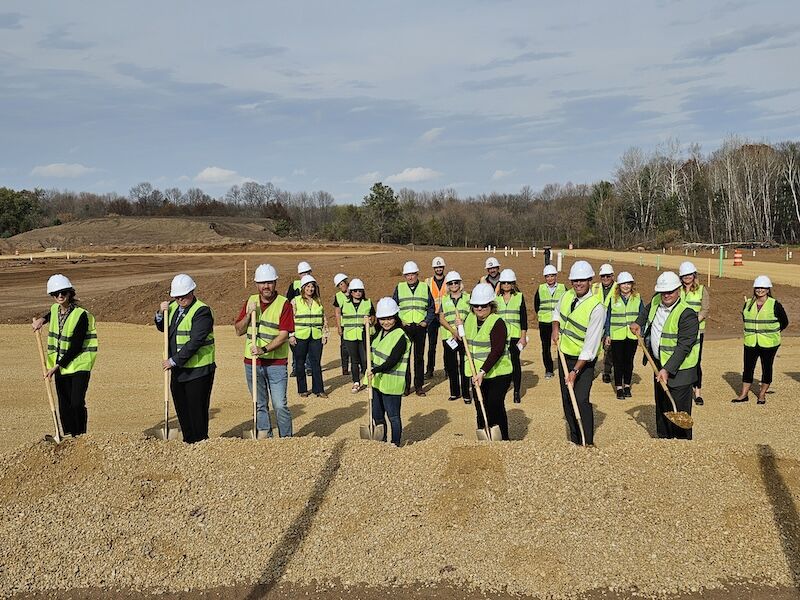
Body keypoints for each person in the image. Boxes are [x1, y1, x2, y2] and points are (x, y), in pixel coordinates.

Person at [631, 272, 699, 440]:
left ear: (678, 290)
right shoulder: (656, 300)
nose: (666, 295)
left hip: (680, 371)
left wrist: (667, 369)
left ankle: (682, 444)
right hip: (658, 364)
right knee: (662, 407)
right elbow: (646, 312)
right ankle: (663, 441)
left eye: (670, 291)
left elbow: (684, 347)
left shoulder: (687, 314)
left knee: (679, 412)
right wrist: (638, 323)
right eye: (663, 291)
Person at [31, 274, 98, 436]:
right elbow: (51, 314)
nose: (60, 296)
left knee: (76, 403)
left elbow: (76, 346)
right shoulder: (54, 309)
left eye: (63, 292)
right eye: (56, 293)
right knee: (64, 405)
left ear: (70, 293)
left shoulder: (81, 315)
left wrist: (56, 366)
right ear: (52, 296)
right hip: (60, 366)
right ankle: (68, 436)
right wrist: (42, 320)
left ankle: (80, 436)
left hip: (78, 364)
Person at [234, 263, 294, 438]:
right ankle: (265, 436)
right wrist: (248, 315)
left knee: (279, 404)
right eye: (262, 283)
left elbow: (284, 334)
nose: (266, 286)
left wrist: (264, 349)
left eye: (269, 282)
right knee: (259, 403)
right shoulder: (250, 302)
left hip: (276, 363)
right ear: (256, 284)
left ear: (275, 283)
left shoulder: (284, 304)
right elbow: (238, 330)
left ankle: (286, 439)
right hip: (251, 363)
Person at [155, 274, 215, 444]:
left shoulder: (202, 311)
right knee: (182, 409)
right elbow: (163, 327)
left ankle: (200, 443)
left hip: (199, 370)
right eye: (177, 296)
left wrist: (173, 361)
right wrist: (160, 313)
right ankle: (189, 442)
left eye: (184, 295)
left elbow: (196, 341)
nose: (180, 299)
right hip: (179, 370)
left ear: (192, 291)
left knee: (197, 411)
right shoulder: (173, 307)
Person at [551, 261, 605, 446]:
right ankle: (574, 440)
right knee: (567, 399)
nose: (578, 284)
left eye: (582, 280)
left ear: (590, 280)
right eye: (575, 280)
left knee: (580, 400)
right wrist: (555, 328)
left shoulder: (597, 308)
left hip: (583, 361)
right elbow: (556, 312)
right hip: (564, 354)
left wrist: (575, 372)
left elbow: (590, 346)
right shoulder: (566, 296)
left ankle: (586, 441)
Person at [463, 283, 513, 440]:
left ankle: (503, 438)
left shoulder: (497, 322)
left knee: (494, 405)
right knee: (480, 405)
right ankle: (484, 438)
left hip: (498, 373)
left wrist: (483, 371)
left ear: (491, 305)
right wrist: (459, 330)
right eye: (476, 305)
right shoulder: (469, 319)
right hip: (476, 373)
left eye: (483, 305)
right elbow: (464, 343)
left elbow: (496, 350)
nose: (479, 308)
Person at [732, 276, 789, 405]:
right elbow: (746, 320)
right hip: (751, 342)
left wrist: (773, 332)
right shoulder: (748, 304)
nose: (760, 290)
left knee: (767, 368)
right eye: (757, 287)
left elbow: (784, 322)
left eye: (763, 287)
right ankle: (743, 394)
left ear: (768, 289)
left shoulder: (775, 304)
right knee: (747, 368)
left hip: (769, 343)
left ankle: (762, 395)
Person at [365, 297, 410, 446]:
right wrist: (365, 327)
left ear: (396, 317)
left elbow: (392, 361)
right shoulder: (379, 333)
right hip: (377, 381)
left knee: (393, 416)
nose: (386, 322)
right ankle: (381, 442)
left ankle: (395, 444)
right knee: (377, 415)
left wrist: (375, 369)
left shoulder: (401, 337)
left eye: (390, 318)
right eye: (383, 319)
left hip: (391, 384)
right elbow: (368, 348)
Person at [392, 261, 435, 396]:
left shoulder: (424, 287)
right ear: (404, 276)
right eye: (407, 275)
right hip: (405, 327)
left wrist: (426, 322)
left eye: (412, 274)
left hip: (419, 327)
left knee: (419, 357)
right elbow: (394, 307)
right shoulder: (399, 287)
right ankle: (405, 387)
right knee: (405, 357)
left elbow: (431, 307)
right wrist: (400, 322)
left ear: (417, 274)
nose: (410, 277)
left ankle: (419, 386)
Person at [604, 271, 645, 399]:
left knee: (629, 362)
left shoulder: (637, 298)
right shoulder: (613, 299)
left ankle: (627, 385)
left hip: (632, 336)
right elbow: (608, 318)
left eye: (628, 283)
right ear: (619, 285)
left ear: (632, 285)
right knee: (618, 362)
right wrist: (607, 334)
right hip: (617, 336)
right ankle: (619, 387)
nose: (626, 286)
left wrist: (641, 334)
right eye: (623, 284)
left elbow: (642, 317)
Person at [291, 274, 328, 398]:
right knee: (300, 362)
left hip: (316, 336)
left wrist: (325, 334)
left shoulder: (318, 301)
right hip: (300, 335)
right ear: (303, 288)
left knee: (316, 362)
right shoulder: (295, 301)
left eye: (312, 286)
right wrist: (291, 335)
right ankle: (302, 389)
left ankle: (319, 389)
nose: (310, 289)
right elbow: (290, 319)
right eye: (307, 286)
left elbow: (323, 318)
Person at [679, 261, 710, 406]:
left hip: (697, 331)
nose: (687, 277)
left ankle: (697, 392)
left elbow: (704, 309)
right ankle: (683, 387)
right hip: (679, 331)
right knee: (681, 360)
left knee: (696, 361)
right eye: (684, 275)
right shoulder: (677, 290)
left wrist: (693, 322)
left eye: (689, 274)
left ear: (694, 275)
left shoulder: (701, 290)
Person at [438, 270, 472, 403]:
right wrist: (453, 331)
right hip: (450, 337)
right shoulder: (445, 300)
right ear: (447, 285)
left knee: (465, 365)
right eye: (451, 283)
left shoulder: (468, 298)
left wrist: (464, 325)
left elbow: (472, 316)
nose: (453, 285)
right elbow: (441, 318)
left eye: (456, 282)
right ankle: (454, 392)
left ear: (460, 283)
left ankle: (466, 393)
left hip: (465, 336)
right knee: (451, 365)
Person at [496, 269, 527, 403]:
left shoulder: (519, 297)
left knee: (515, 362)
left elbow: (524, 318)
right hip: (501, 336)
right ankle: (503, 386)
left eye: (509, 282)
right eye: (504, 283)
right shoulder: (496, 299)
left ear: (513, 283)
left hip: (515, 336)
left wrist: (523, 336)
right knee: (502, 362)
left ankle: (516, 391)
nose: (506, 285)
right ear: (501, 284)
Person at [340, 278, 375, 393]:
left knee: (365, 359)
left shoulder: (367, 302)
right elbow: (342, 318)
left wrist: (371, 320)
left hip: (364, 336)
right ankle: (356, 382)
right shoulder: (345, 304)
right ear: (351, 292)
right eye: (355, 291)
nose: (358, 293)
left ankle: (367, 382)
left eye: (360, 290)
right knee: (354, 360)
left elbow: (373, 316)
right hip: (350, 336)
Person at [534, 264, 565, 379]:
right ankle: (549, 369)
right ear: (545, 277)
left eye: (552, 276)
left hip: (559, 321)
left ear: (556, 276)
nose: (550, 278)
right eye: (547, 276)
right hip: (545, 322)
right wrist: (542, 315)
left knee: (561, 345)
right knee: (545, 347)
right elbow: (536, 304)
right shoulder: (541, 288)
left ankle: (563, 367)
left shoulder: (562, 288)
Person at [286, 261, 313, 377]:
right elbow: (288, 302)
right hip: (297, 321)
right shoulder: (294, 285)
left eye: (307, 273)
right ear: (299, 274)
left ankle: (309, 367)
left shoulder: (313, 285)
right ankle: (296, 368)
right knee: (296, 346)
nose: (305, 275)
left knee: (309, 347)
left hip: (310, 321)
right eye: (303, 273)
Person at [592, 263, 617, 384]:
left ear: (612, 276)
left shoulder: (618, 288)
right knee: (593, 347)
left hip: (610, 322)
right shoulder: (595, 287)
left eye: (608, 276)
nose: (605, 279)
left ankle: (607, 372)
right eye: (603, 276)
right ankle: (590, 370)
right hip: (596, 321)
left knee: (608, 349)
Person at [424, 256, 447, 379]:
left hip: (445, 316)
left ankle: (448, 368)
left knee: (447, 344)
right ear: (434, 268)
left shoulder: (450, 280)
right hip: (433, 316)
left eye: (440, 267)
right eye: (436, 267)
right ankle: (429, 370)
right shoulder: (427, 282)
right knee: (431, 345)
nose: (438, 269)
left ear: (443, 267)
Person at [332, 273, 351, 376]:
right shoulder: (338, 296)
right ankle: (345, 368)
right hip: (344, 325)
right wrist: (339, 327)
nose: (341, 286)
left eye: (342, 284)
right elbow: (337, 313)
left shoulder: (355, 291)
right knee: (344, 347)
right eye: (339, 285)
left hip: (355, 324)